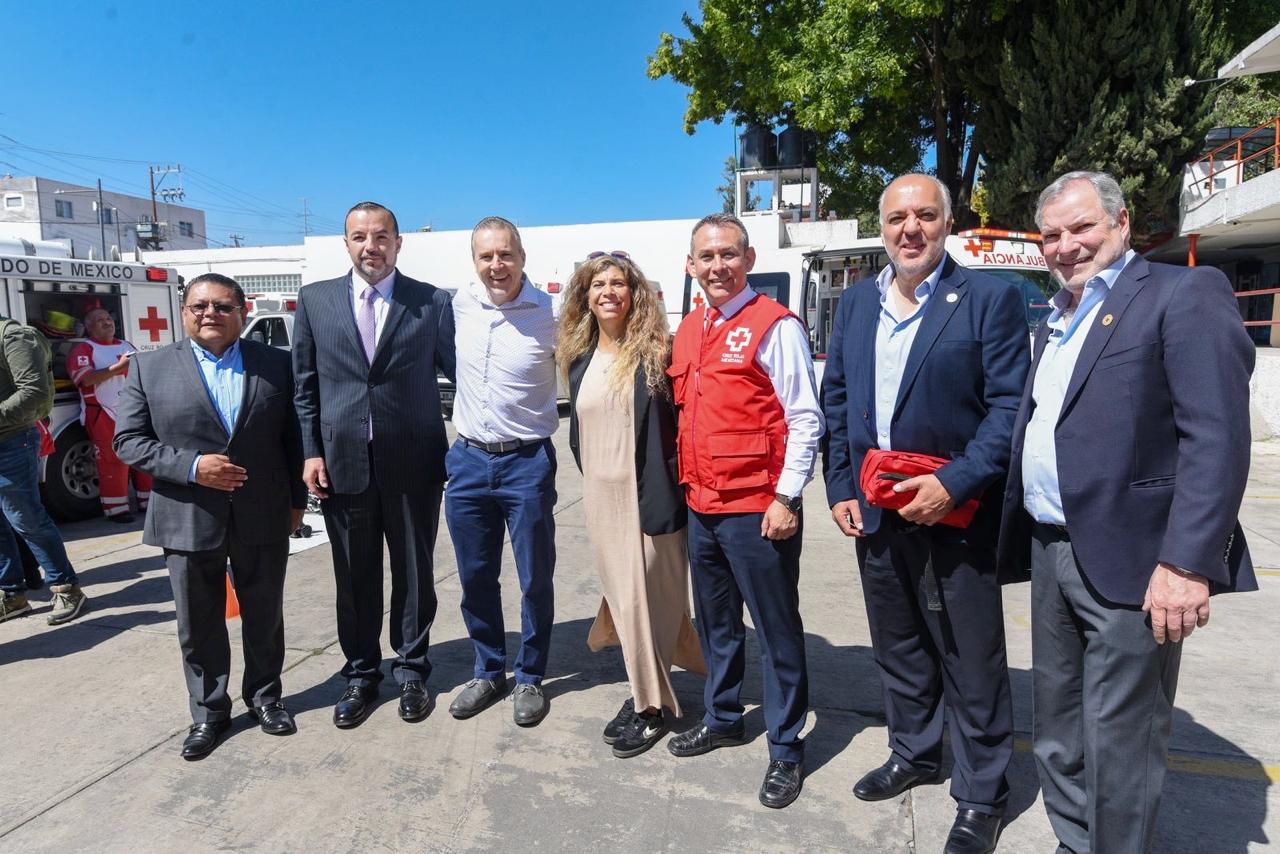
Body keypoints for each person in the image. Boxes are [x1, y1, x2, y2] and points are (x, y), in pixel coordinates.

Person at [996, 171, 1257, 854]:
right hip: (1053, 549)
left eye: (1082, 228)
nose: (1066, 245)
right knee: (1056, 728)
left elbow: (1218, 438)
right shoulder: (1056, 316)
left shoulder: (1183, 294)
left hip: (1138, 562)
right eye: (1051, 235)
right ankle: (1076, 841)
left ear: (1121, 225)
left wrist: (1186, 562)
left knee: (1122, 740)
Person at [822, 174, 1029, 854]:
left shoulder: (986, 300)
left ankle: (982, 794)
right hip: (878, 514)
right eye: (897, 218)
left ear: (947, 224)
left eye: (926, 216)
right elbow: (838, 401)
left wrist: (955, 480)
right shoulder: (854, 303)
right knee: (900, 645)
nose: (911, 229)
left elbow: (1008, 411)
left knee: (971, 658)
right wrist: (841, 486)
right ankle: (915, 752)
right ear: (881, 228)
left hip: (955, 511)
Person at [664, 213, 822, 809]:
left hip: (759, 509)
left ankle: (785, 747)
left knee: (778, 630)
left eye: (728, 255)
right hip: (702, 506)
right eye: (705, 257)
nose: (717, 267)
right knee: (717, 625)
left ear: (749, 259)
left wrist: (786, 496)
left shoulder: (774, 326)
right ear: (690, 266)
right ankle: (723, 715)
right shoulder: (689, 329)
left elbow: (806, 417)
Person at [114, 274, 307, 759]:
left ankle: (265, 698)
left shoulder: (277, 367)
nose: (210, 314)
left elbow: (293, 438)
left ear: (242, 312)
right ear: (183, 312)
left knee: (264, 615)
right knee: (198, 623)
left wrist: (296, 504)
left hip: (262, 512)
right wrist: (193, 466)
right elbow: (128, 442)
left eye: (222, 306)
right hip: (186, 513)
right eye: (199, 306)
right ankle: (209, 713)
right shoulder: (148, 368)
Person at [293, 201, 456, 728]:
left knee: (414, 572)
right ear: (346, 244)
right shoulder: (315, 301)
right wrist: (310, 450)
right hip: (342, 464)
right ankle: (361, 674)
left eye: (381, 236)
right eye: (360, 237)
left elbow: (462, 373)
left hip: (413, 460)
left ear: (398, 242)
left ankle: (411, 669)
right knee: (355, 576)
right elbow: (305, 388)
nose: (371, 246)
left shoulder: (429, 302)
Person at [558, 251, 706, 758]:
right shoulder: (578, 361)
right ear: (586, 296)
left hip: (651, 495)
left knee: (652, 598)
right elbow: (580, 432)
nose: (608, 292)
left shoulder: (655, 354)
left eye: (618, 283)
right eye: (598, 284)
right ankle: (648, 692)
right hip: (602, 499)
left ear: (634, 293)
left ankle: (649, 707)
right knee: (626, 599)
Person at [445, 216, 559, 727]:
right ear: (475, 262)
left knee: (535, 576)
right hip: (467, 460)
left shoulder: (552, 315)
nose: (497, 265)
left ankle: (530, 676)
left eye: (505, 254)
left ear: (522, 257)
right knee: (475, 576)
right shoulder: (458, 305)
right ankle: (488, 670)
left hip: (526, 463)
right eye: (486, 256)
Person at [0, 314, 85, 626]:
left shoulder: (16, 337)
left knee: (27, 519)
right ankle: (12, 594)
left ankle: (67, 588)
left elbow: (33, 393)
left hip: (10, 441)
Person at [67, 307, 152, 522]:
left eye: (108, 318)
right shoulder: (83, 350)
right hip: (103, 413)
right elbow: (86, 380)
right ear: (88, 327)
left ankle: (149, 502)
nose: (107, 323)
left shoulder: (126, 345)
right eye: (99, 320)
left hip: (134, 409)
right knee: (112, 461)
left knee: (144, 454)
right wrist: (119, 367)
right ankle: (117, 510)